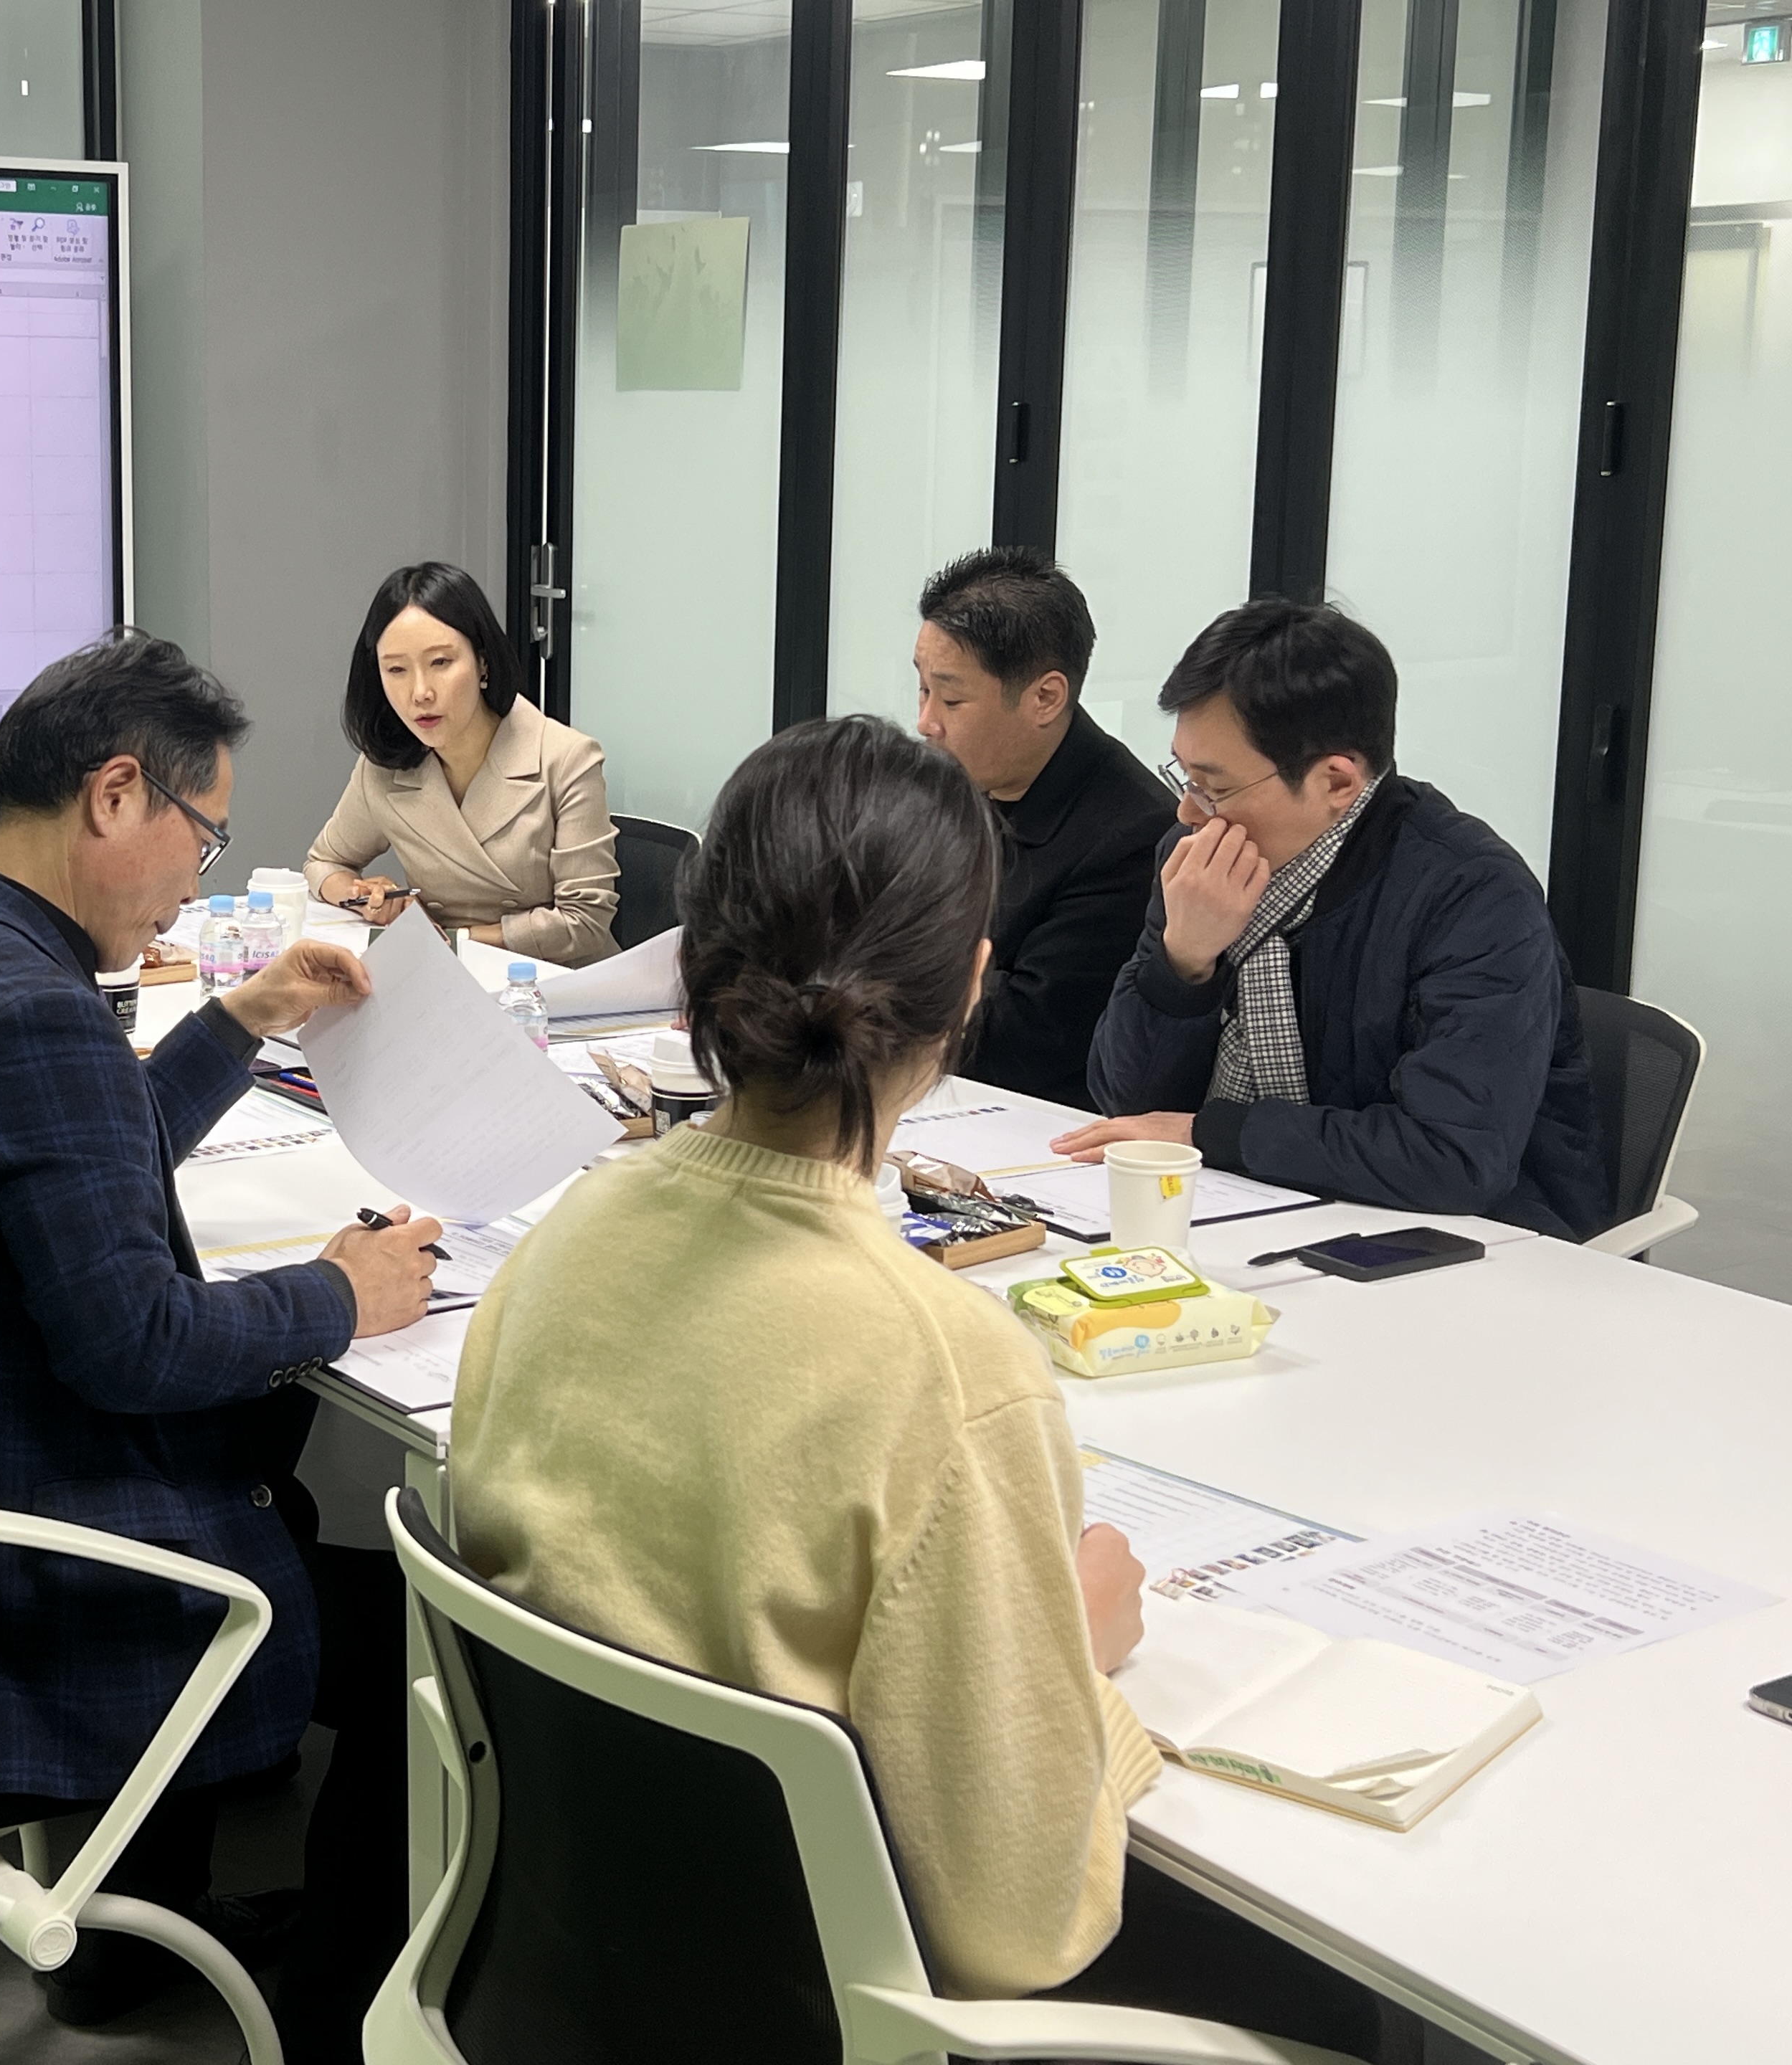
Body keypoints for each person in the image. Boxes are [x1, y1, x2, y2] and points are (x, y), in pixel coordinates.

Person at [450, 716, 1388, 2055]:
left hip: (566, 1979)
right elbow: (1018, 1927)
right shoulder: (945, 1369)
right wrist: (1070, 1660)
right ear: (970, 985)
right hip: (814, 2010)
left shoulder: (566, 1236)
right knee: (1338, 2000)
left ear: (690, 969)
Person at [0, 633, 442, 2059]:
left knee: (287, 1456)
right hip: (42, 1563)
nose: (193, 879)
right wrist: (340, 1293)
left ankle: (123, 1932)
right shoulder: (35, 1015)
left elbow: (84, 1158)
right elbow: (140, 1347)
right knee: (431, 1648)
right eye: (201, 834)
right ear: (114, 794)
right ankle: (340, 2002)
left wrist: (243, 1016)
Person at [1063, 600, 1609, 1238]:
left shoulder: (1472, 895)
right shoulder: (1198, 858)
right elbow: (1128, 1104)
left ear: (1338, 782)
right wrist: (1183, 963)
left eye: (1214, 787)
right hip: (1253, 1205)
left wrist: (1209, 1133)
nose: (1188, 811)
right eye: (1183, 775)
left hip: (1477, 1242)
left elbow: (1453, 1158)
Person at [914, 548, 1174, 1109]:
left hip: (1023, 1123)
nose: (926, 722)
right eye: (923, 689)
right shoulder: (948, 784)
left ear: (1045, 698)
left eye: (951, 698)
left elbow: (1022, 1037)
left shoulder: (1131, 835)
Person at [306, 561, 620, 963]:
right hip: (445, 974)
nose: (420, 693)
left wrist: (454, 940)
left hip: (555, 981)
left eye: (440, 663)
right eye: (396, 670)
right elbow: (324, 863)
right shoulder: (384, 767)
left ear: (482, 661)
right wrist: (361, 896)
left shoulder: (567, 758)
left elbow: (585, 923)